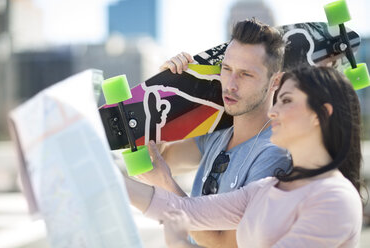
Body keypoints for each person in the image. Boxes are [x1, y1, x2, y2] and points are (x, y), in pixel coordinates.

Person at [125, 66, 364, 248]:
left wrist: (179, 243)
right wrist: (111, 179)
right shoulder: (265, 189)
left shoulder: (334, 198)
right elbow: (185, 209)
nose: (273, 111)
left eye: (287, 101)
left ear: (320, 114)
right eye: (277, 100)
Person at [137, 18, 291, 248]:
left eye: (246, 74)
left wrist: (168, 186)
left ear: (275, 81)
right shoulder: (218, 134)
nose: (230, 84)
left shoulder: (274, 153)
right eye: (226, 69)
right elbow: (158, 160)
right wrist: (166, 90)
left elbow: (228, 244)